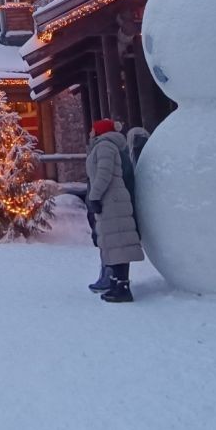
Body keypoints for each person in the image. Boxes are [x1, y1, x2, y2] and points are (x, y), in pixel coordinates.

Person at [85, 118, 142, 303]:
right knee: (115, 244)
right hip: (110, 200)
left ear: (99, 131)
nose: (90, 133)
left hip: (112, 200)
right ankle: (117, 284)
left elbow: (104, 174)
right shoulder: (105, 146)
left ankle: (122, 287)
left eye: (92, 130)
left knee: (118, 244)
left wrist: (94, 196)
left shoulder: (105, 147)